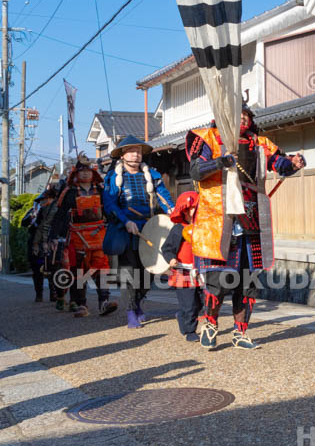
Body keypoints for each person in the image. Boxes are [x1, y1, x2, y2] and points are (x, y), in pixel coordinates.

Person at [186, 103, 305, 350]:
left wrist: (292, 163)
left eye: (245, 114)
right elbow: (196, 170)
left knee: (248, 280)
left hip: (251, 216)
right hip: (218, 219)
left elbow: (278, 163)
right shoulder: (206, 137)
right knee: (218, 280)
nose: (241, 118)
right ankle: (210, 323)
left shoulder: (259, 142)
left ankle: (241, 332)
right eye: (235, 113)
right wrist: (221, 162)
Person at [103, 135, 174, 328]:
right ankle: (130, 311)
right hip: (125, 229)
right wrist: (126, 221)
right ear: (123, 155)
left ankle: (138, 302)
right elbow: (110, 204)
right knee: (130, 273)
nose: (136, 155)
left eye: (139, 151)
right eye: (131, 151)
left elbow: (164, 197)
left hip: (149, 228)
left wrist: (174, 212)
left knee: (149, 273)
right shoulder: (113, 177)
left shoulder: (152, 175)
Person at [49, 154, 119, 318]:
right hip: (77, 236)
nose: (86, 174)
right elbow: (59, 215)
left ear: (93, 173)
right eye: (82, 171)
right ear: (76, 174)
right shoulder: (69, 192)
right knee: (79, 271)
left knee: (101, 268)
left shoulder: (102, 190)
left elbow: (109, 210)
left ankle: (104, 302)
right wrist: (54, 236)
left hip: (99, 233)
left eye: (88, 171)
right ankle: (81, 304)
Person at [161, 191, 202, 342]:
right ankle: (190, 331)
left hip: (199, 270)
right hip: (183, 271)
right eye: (193, 208)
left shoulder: (203, 228)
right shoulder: (178, 229)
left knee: (200, 302)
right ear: (184, 210)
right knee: (189, 304)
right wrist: (171, 259)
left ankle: (182, 317)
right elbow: (167, 248)